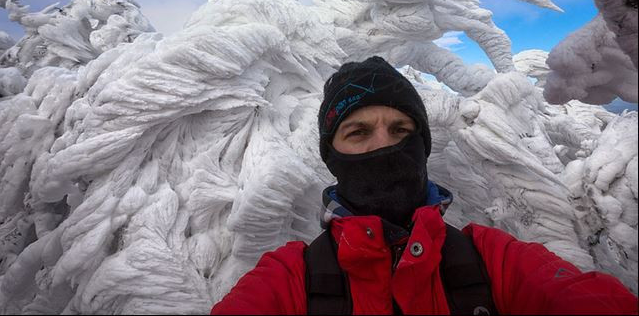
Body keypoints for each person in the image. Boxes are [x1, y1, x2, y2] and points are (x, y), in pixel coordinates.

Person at [211, 56, 638, 315]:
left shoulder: (492, 258)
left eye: (400, 129)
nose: (384, 146)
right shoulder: (291, 278)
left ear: (423, 144)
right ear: (332, 155)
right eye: (358, 133)